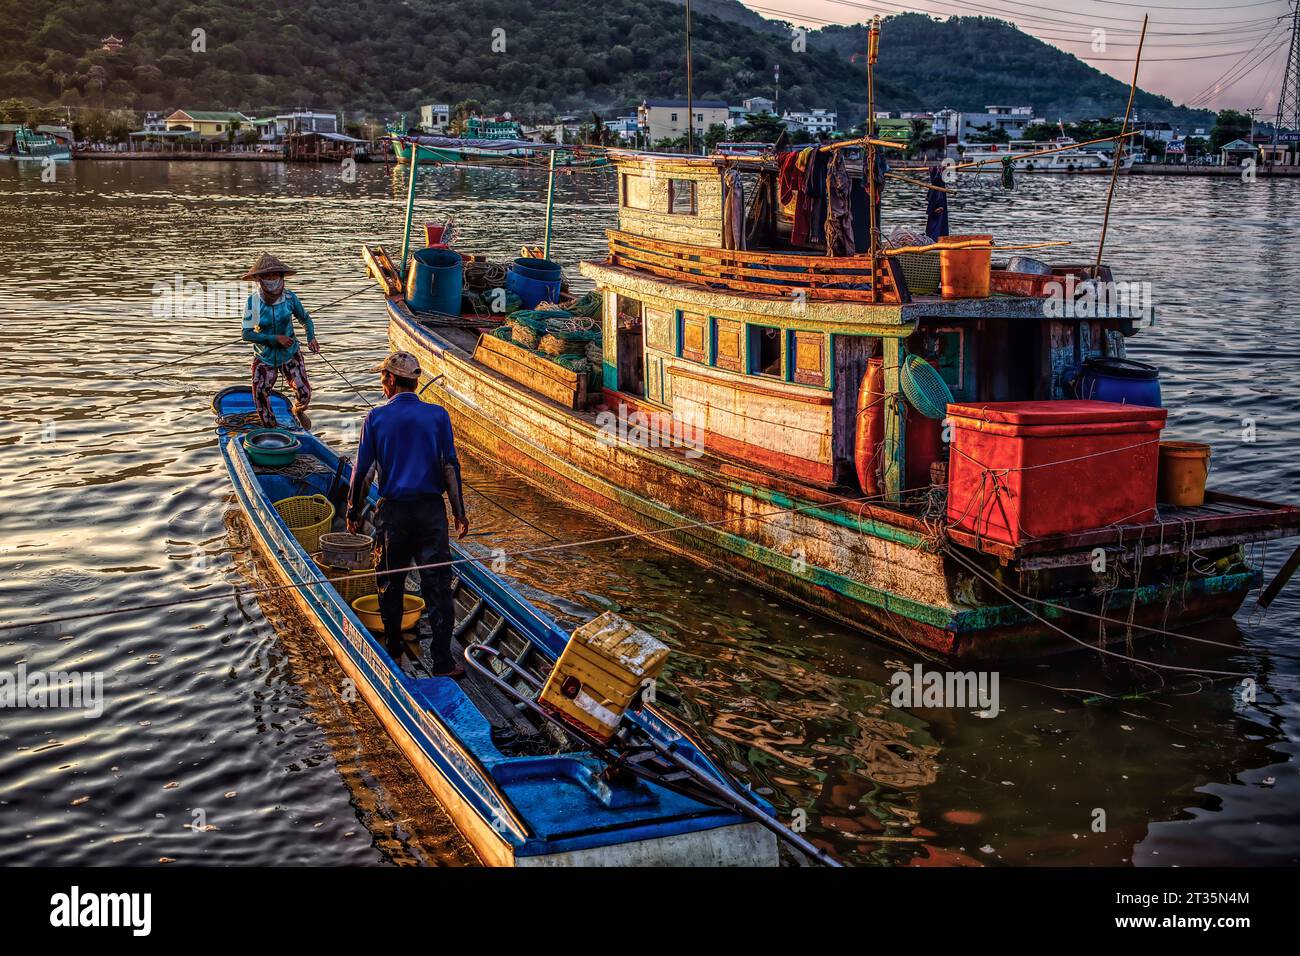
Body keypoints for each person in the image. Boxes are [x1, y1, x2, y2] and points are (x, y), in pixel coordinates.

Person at [346, 352, 469, 676]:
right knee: (438, 586)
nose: (381, 383)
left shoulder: (376, 418)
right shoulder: (438, 416)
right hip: (431, 513)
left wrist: (352, 511)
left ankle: (394, 652)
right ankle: (442, 660)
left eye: (382, 377)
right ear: (414, 381)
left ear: (390, 379)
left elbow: (364, 472)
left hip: (394, 515)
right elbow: (449, 467)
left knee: (390, 584)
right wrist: (459, 512)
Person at [240, 253, 318, 428]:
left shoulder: (290, 298)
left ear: (281, 277)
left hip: (290, 354)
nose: (271, 279)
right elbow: (246, 334)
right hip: (265, 356)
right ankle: (272, 430)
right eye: (266, 276)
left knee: (304, 393)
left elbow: (305, 319)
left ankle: (297, 410)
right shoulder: (253, 302)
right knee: (260, 395)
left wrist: (311, 337)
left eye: (274, 275)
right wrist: (274, 339)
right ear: (259, 279)